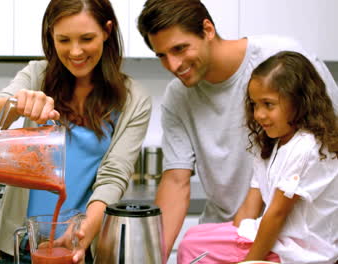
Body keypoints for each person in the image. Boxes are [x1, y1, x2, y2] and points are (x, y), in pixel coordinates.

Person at [137, 0, 338, 257]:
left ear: (207, 29)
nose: (173, 65)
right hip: (232, 233)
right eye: (162, 55)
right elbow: (176, 181)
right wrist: (155, 257)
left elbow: (330, 135)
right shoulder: (177, 98)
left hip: (294, 246)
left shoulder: (281, 60)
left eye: (180, 48)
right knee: (191, 243)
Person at [0, 0, 151, 263]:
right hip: (20, 245)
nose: (76, 51)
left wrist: (84, 231)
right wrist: (17, 104)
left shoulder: (132, 99)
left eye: (86, 38)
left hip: (81, 246)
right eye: (64, 40)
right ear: (51, 37)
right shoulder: (37, 75)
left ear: (107, 30)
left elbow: (114, 175)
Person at [178, 51, 338, 264]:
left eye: (268, 104)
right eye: (254, 104)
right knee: (194, 236)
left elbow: (277, 214)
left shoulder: (306, 147)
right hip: (276, 238)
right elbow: (249, 207)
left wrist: (249, 263)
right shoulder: (274, 143)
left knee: (193, 247)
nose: (258, 114)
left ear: (299, 101)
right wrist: (235, 238)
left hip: (298, 252)